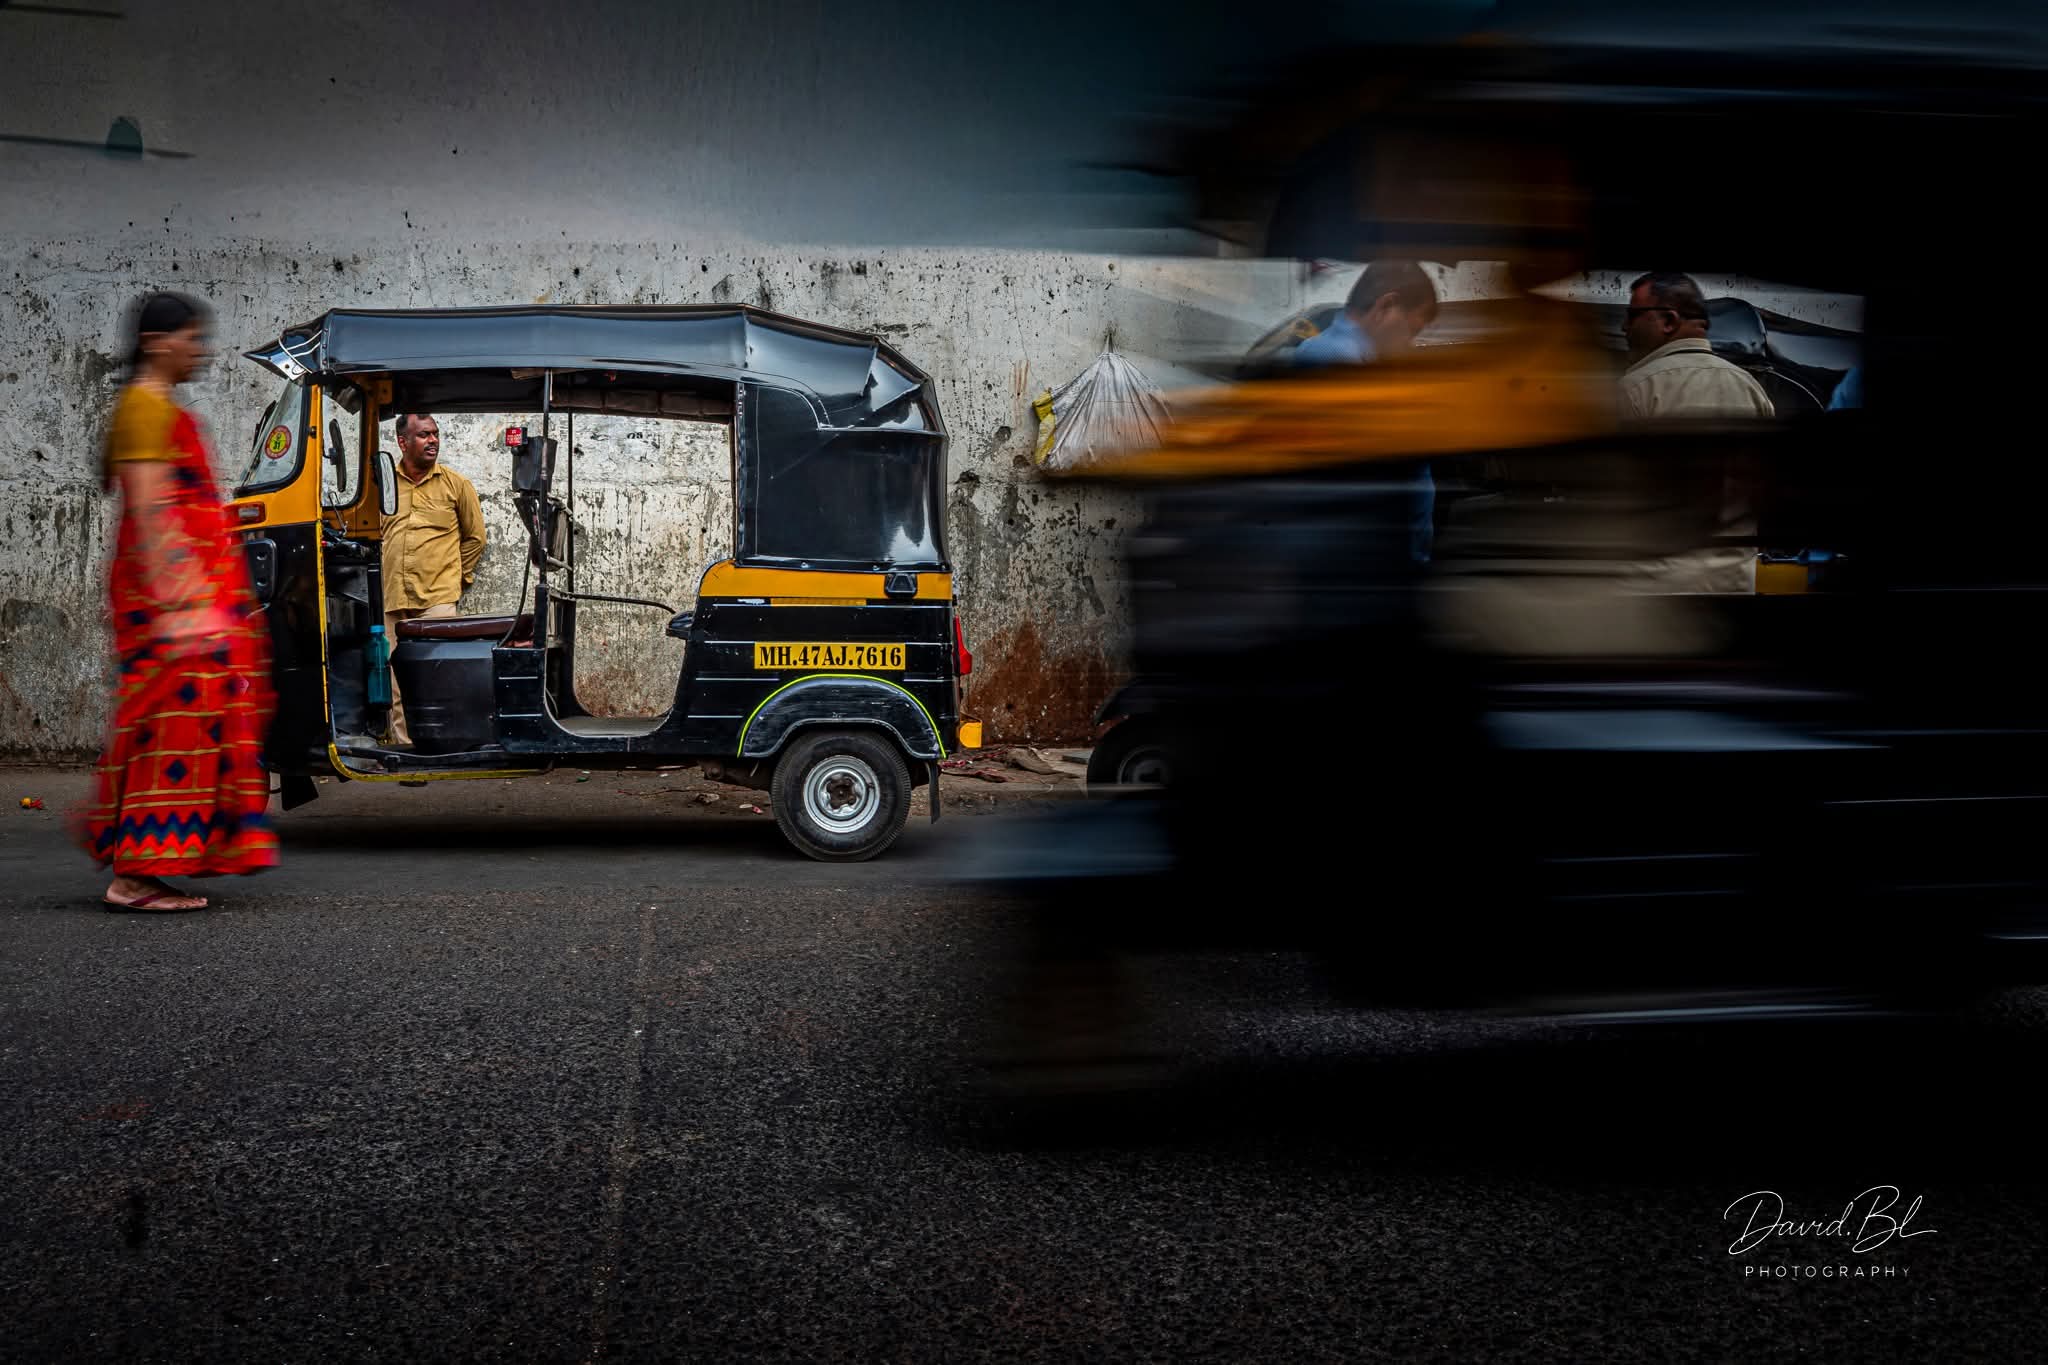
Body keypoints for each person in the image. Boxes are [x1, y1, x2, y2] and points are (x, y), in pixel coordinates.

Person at [75, 292, 278, 911]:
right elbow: (153, 511)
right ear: (160, 342)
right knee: (176, 726)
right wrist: (182, 605)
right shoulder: (142, 408)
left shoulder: (157, 407)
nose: (201, 351)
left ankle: (144, 863)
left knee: (168, 726)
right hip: (168, 602)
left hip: (179, 597)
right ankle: (135, 876)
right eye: (193, 339)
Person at [1293, 260, 1441, 564]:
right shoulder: (1341, 364)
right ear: (1387, 306)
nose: (1410, 345)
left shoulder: (1317, 350)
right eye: (1412, 331)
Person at [380, 412, 486, 745]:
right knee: (393, 678)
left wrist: (458, 579)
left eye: (435, 434)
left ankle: (442, 744)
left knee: (438, 674)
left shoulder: (456, 485)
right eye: (424, 435)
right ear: (402, 442)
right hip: (391, 596)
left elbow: (475, 538)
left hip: (437, 599)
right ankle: (405, 748)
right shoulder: (382, 485)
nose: (433, 440)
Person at [1620, 272, 1774, 419]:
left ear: (1668, 321)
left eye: (1632, 316)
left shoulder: (1635, 389)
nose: (1625, 326)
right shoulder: (1749, 386)